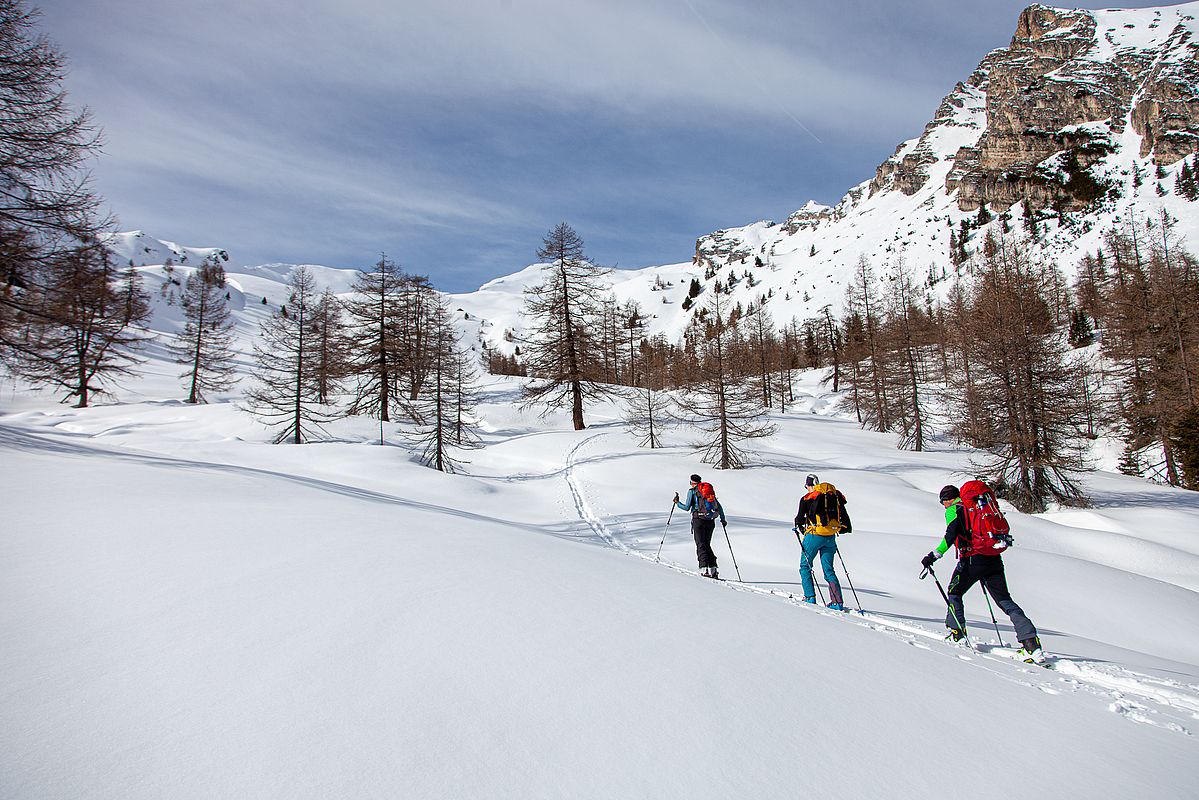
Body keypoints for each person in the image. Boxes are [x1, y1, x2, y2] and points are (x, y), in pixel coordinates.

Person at [920, 484, 1044, 661]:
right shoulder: (979, 507)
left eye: (943, 502)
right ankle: (1031, 643)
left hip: (971, 560)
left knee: (954, 592)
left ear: (947, 500)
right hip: (993, 558)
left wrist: (933, 556)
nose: (944, 506)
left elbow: (951, 535)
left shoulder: (955, 510)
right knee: (1004, 600)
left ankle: (957, 634)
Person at [793, 473, 851, 610]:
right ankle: (837, 602)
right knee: (829, 569)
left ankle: (810, 597)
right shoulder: (832, 495)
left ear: (808, 485)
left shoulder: (806, 498)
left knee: (805, 566)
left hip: (814, 535)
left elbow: (799, 519)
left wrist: (799, 527)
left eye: (806, 486)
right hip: (830, 535)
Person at [674, 474, 725, 578]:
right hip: (710, 521)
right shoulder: (707, 491)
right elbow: (718, 506)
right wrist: (723, 519)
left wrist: (677, 503)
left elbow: (687, 507)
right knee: (707, 544)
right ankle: (713, 569)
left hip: (698, 520)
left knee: (700, 544)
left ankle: (704, 569)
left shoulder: (692, 491)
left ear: (692, 482)